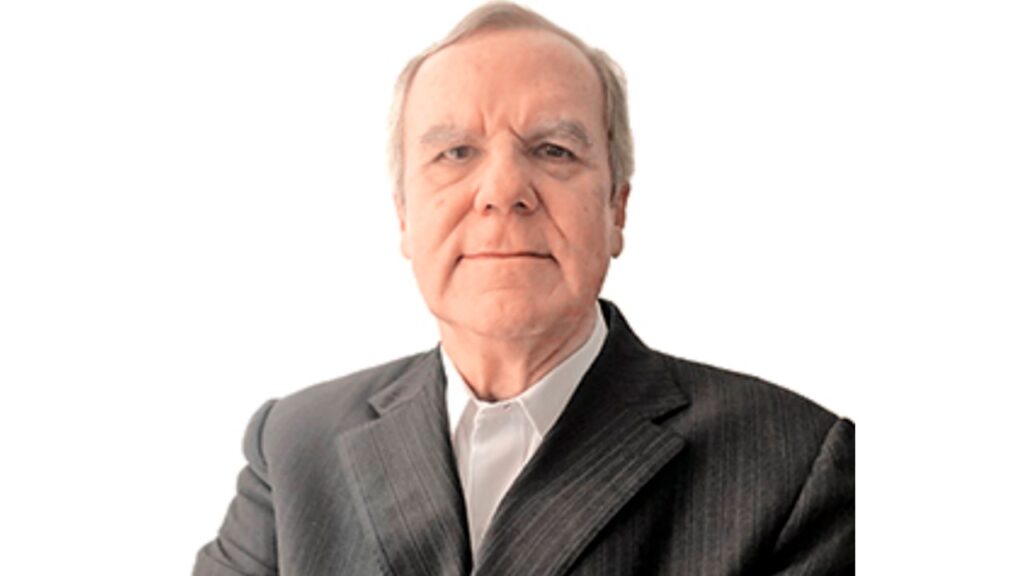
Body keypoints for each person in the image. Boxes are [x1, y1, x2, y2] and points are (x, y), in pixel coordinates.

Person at [193, 3, 854, 575]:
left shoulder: (794, 466)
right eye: (456, 153)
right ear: (404, 217)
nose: (504, 190)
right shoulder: (294, 446)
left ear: (617, 209)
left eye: (554, 150)